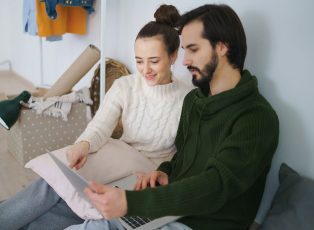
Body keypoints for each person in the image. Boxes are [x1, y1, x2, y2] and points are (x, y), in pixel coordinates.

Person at [0, 4, 192, 230]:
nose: (145, 69)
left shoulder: (189, 98)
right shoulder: (126, 86)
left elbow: (186, 153)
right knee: (61, 186)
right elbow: (100, 125)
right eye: (139, 60)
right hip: (116, 156)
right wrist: (83, 145)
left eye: (153, 61)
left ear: (173, 55)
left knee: (61, 194)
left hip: (145, 173)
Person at [65, 3, 280, 230]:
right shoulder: (195, 102)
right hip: (169, 210)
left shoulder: (257, 118)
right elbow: (182, 157)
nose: (185, 61)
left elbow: (215, 185)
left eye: (194, 49)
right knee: (92, 221)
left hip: (199, 224)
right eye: (185, 50)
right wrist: (165, 172)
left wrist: (131, 203)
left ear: (222, 47)